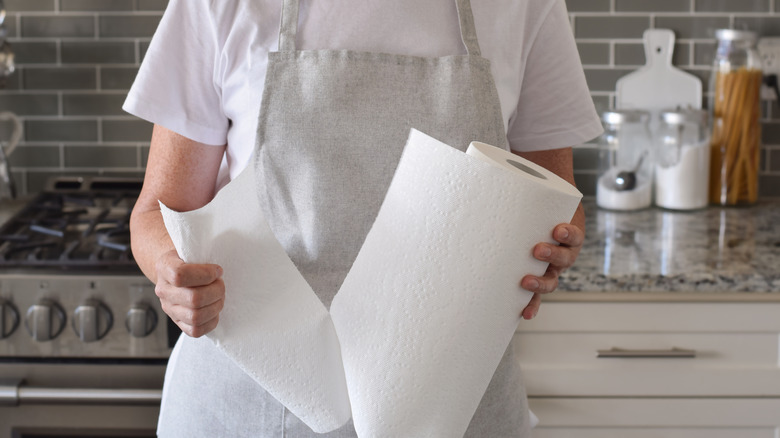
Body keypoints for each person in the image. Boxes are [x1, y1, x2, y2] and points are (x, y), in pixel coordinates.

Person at [124, 0, 602, 436]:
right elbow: (157, 211)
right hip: (251, 399)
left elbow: (557, 199)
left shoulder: (524, 7)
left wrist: (553, 246)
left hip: (454, 397)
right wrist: (173, 272)